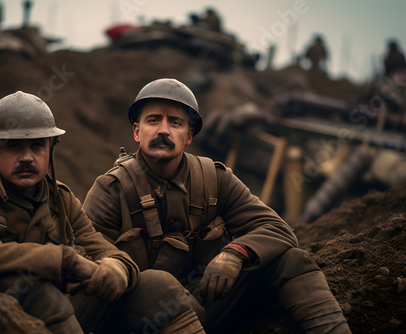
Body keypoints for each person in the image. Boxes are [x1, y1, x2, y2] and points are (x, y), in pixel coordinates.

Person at [83, 78, 352, 333]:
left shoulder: (213, 178)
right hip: (143, 321)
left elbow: (278, 230)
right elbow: (87, 273)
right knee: (156, 284)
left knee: (293, 260)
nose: (163, 130)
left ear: (189, 136)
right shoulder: (112, 189)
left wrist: (235, 254)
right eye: (153, 120)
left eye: (175, 122)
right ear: (136, 131)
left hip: (204, 304)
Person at [0, 91, 206, 334]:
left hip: (56, 317)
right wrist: (66, 261)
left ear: (51, 150)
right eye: (14, 146)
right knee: (37, 291)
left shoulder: (59, 198)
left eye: (37, 146)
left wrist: (116, 269)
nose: (27, 157)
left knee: (154, 285)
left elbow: (102, 248)